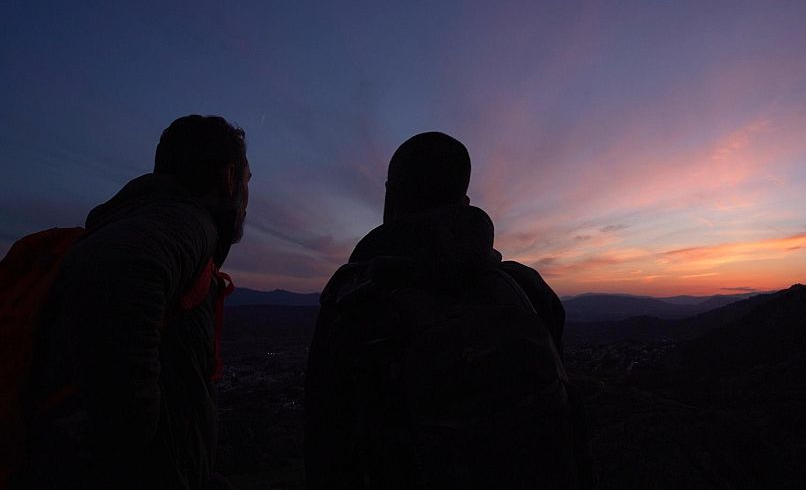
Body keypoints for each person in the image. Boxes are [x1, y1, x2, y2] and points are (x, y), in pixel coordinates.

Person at [305, 132, 593, 489]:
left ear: (390, 196)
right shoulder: (529, 289)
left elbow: (326, 451)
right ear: (464, 202)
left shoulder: (353, 301)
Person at [24, 115, 251, 489]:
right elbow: (119, 266)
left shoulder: (147, 217)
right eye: (247, 181)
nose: (246, 197)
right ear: (229, 178)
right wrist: (134, 435)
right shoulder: (185, 220)